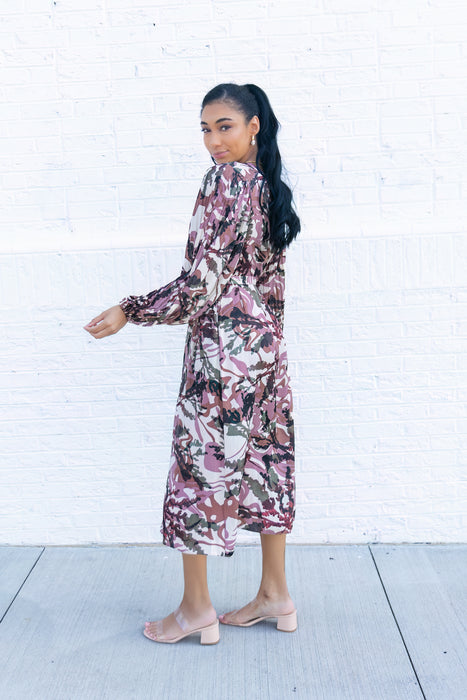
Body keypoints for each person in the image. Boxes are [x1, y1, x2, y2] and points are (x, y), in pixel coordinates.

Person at [84, 83, 300, 645]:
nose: (213, 141)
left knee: (197, 471)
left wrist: (131, 309)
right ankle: (275, 594)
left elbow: (200, 285)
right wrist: (269, 351)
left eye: (224, 126)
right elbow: (271, 287)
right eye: (205, 129)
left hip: (221, 354)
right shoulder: (267, 186)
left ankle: (195, 609)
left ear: (254, 126)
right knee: (266, 464)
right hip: (265, 353)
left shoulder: (225, 181)